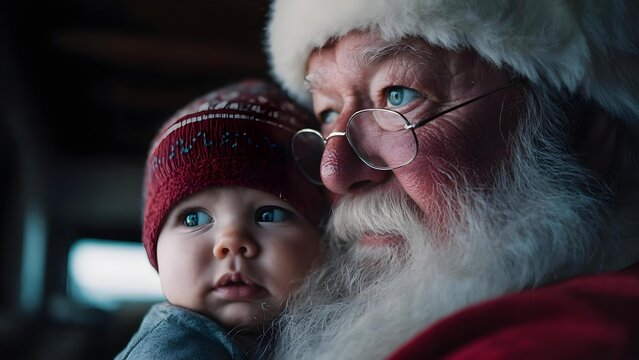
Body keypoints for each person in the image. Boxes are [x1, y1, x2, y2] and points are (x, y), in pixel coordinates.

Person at [264, 0, 639, 359]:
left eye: (399, 95)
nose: (333, 172)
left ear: (583, 128)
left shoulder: (578, 338)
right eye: (327, 112)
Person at [115, 79, 329, 359]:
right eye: (193, 219)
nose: (232, 242)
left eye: (269, 214)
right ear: (154, 249)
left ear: (323, 240)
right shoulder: (173, 350)